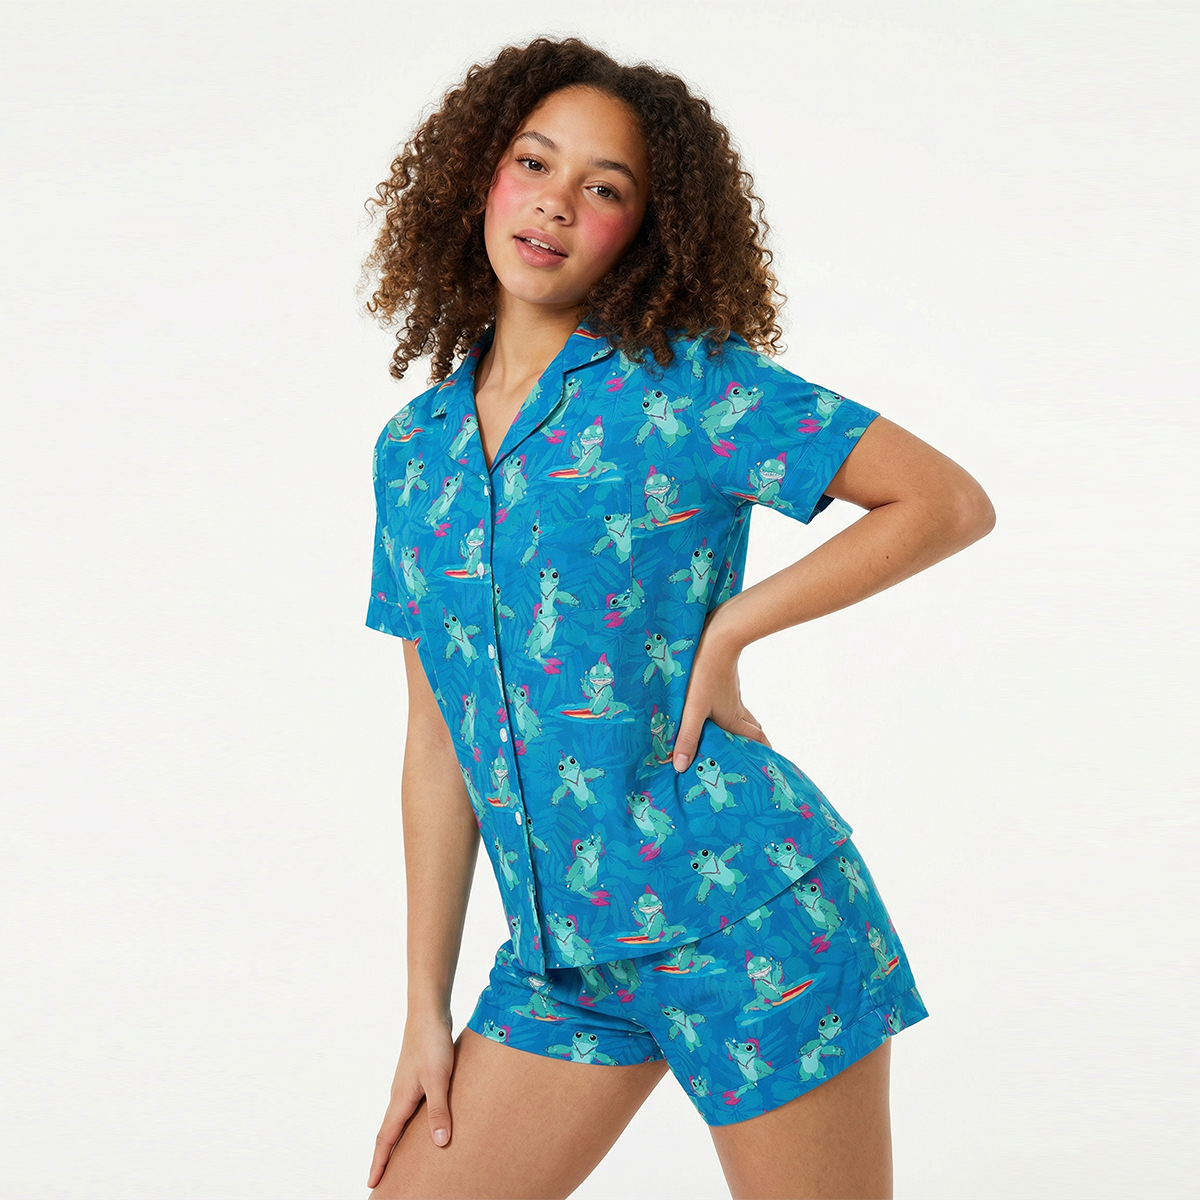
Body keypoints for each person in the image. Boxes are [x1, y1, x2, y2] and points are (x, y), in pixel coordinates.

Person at [358, 36, 994, 1200]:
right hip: (559, 966)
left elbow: (944, 502)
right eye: (533, 163)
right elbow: (436, 740)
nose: (557, 203)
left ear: (642, 230)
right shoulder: (414, 454)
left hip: (747, 914)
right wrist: (422, 1011)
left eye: (604, 188)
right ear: (477, 178)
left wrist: (734, 626)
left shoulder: (688, 386)